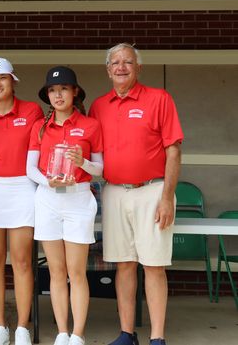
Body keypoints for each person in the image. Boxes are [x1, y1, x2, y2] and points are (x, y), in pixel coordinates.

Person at [89, 44, 183, 345]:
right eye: (114, 62)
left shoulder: (159, 98)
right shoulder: (98, 106)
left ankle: (157, 337)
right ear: (107, 69)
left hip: (153, 191)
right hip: (114, 192)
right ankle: (127, 333)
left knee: (154, 265)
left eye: (127, 62)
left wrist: (167, 197)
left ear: (138, 68)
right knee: (124, 264)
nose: (121, 67)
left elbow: (174, 150)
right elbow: (94, 155)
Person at [26, 66, 103, 345]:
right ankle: (61, 332)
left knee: (76, 271)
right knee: (56, 271)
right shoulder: (40, 126)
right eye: (53, 90)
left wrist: (82, 162)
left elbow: (99, 170)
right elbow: (30, 168)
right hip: (48, 199)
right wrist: (48, 182)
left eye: (63, 89)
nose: (58, 95)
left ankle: (78, 334)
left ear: (75, 92)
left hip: (79, 198)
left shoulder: (90, 124)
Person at [0, 57, 43, 345]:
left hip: (23, 187)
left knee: (23, 260)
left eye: (2, 78)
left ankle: (23, 327)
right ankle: (0, 327)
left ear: (12, 80)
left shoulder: (31, 110)